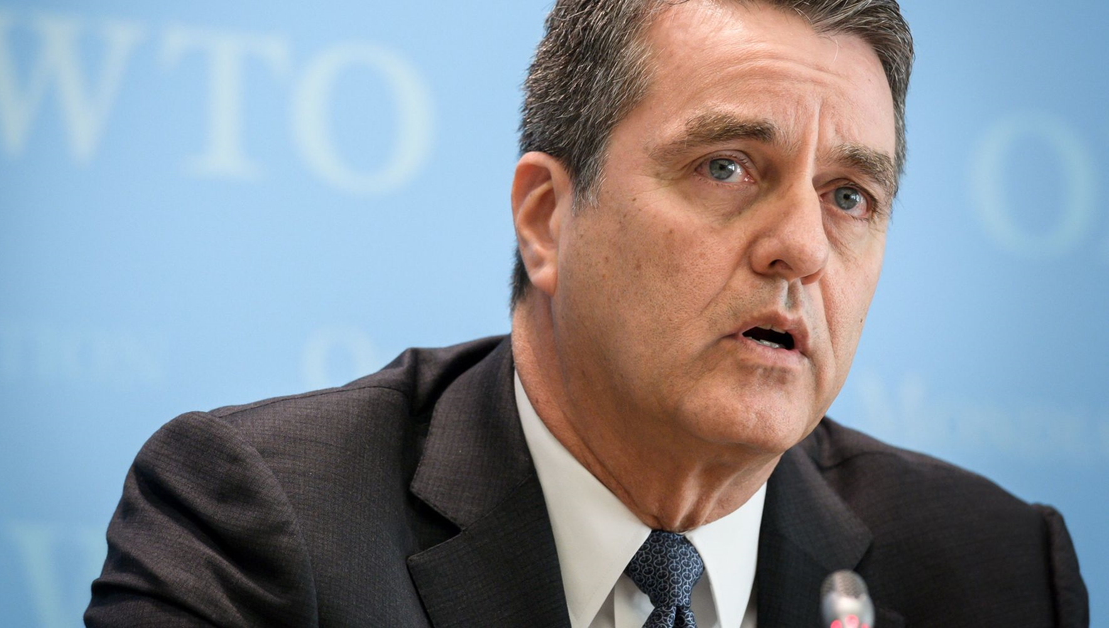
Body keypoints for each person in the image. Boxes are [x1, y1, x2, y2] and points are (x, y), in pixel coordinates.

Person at [86, 0, 1089, 626]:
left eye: (850, 196)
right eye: (728, 167)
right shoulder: (270, 524)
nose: (802, 248)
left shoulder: (995, 573)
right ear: (546, 219)